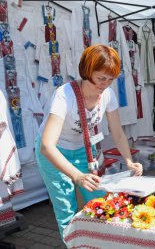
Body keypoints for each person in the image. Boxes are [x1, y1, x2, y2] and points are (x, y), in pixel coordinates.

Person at [35, 44, 143, 237]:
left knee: (100, 201)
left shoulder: (108, 95)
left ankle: (100, 241)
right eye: (100, 78)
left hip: (83, 151)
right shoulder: (64, 95)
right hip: (56, 154)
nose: (105, 84)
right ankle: (73, 242)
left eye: (110, 79)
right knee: (66, 208)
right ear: (87, 70)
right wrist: (78, 176)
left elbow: (117, 132)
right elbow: (47, 146)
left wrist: (128, 161)